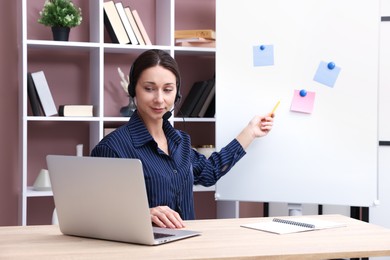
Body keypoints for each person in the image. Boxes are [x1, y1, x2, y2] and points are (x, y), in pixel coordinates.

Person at [91, 49, 274, 229]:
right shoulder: (111, 149)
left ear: (177, 93)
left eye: (168, 90)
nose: (159, 99)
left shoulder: (180, 141)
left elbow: (209, 173)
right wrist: (142, 214)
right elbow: (97, 213)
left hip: (186, 246)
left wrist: (250, 132)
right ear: (134, 90)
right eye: (149, 89)